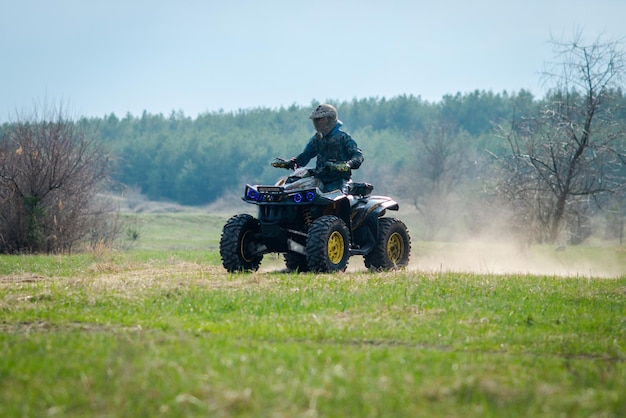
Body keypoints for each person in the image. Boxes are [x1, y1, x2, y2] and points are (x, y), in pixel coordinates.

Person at [272, 104, 364, 193]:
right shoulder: (317, 140)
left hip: (339, 180)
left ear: (330, 120)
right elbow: (305, 156)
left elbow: (358, 155)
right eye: (316, 120)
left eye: (321, 120)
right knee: (293, 186)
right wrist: (291, 163)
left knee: (340, 199)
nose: (317, 123)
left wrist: (347, 164)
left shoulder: (343, 137)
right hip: (319, 179)